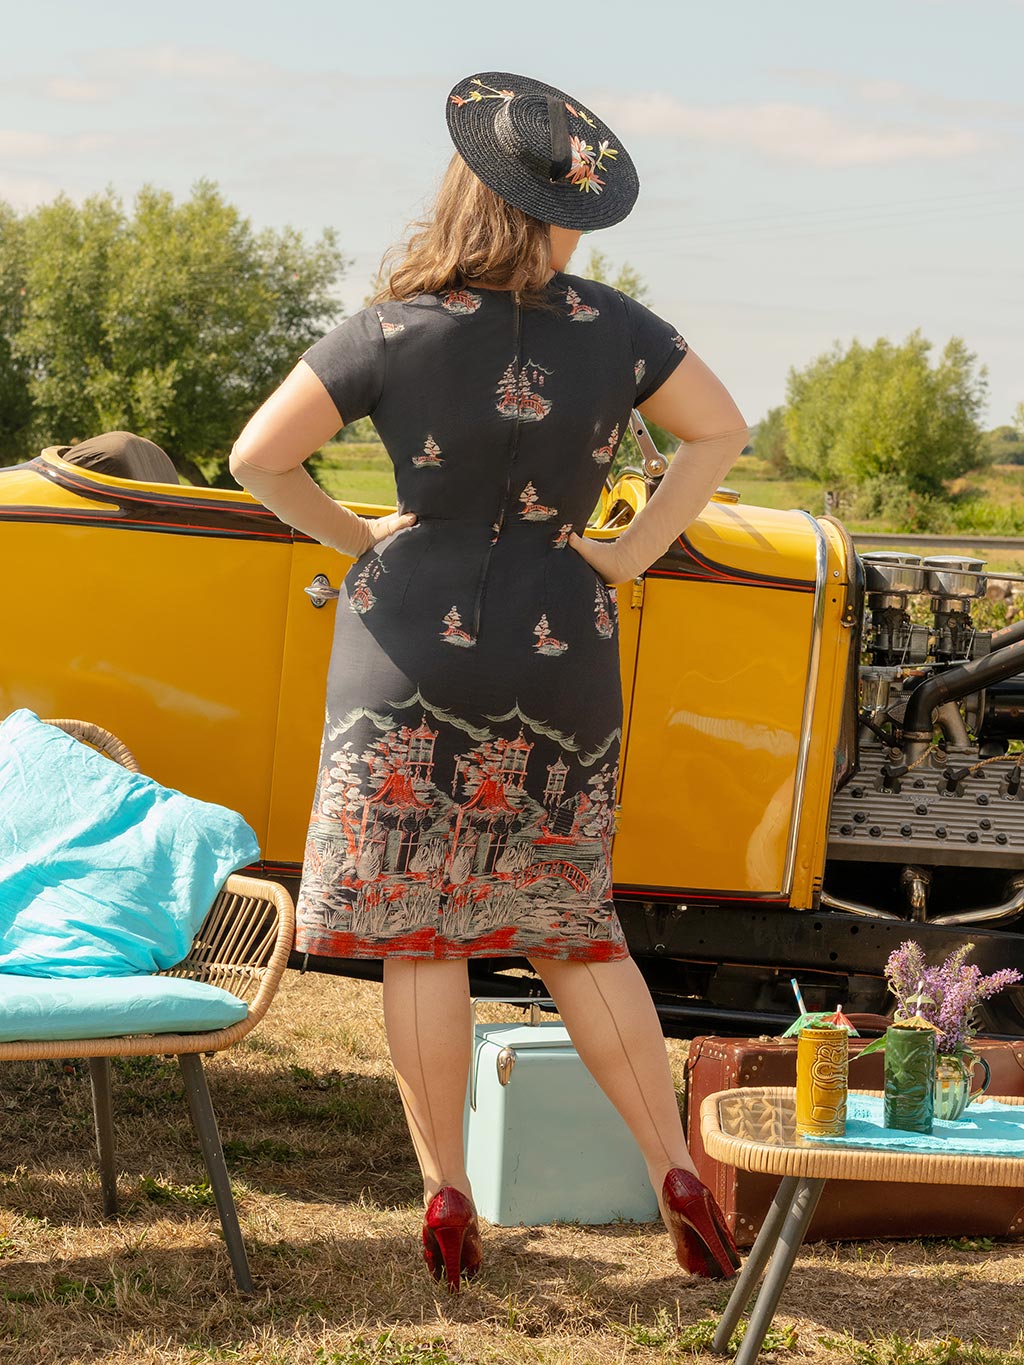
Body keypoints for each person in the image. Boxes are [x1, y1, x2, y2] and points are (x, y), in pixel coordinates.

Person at [230, 70, 748, 1292]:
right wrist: (624, 553)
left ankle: (449, 1199)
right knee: (574, 927)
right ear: (560, 209)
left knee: (424, 936)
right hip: (561, 640)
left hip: (406, 647)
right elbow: (717, 432)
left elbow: (260, 456)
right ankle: (674, 1170)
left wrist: (364, 541)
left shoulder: (390, 324)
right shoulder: (619, 328)